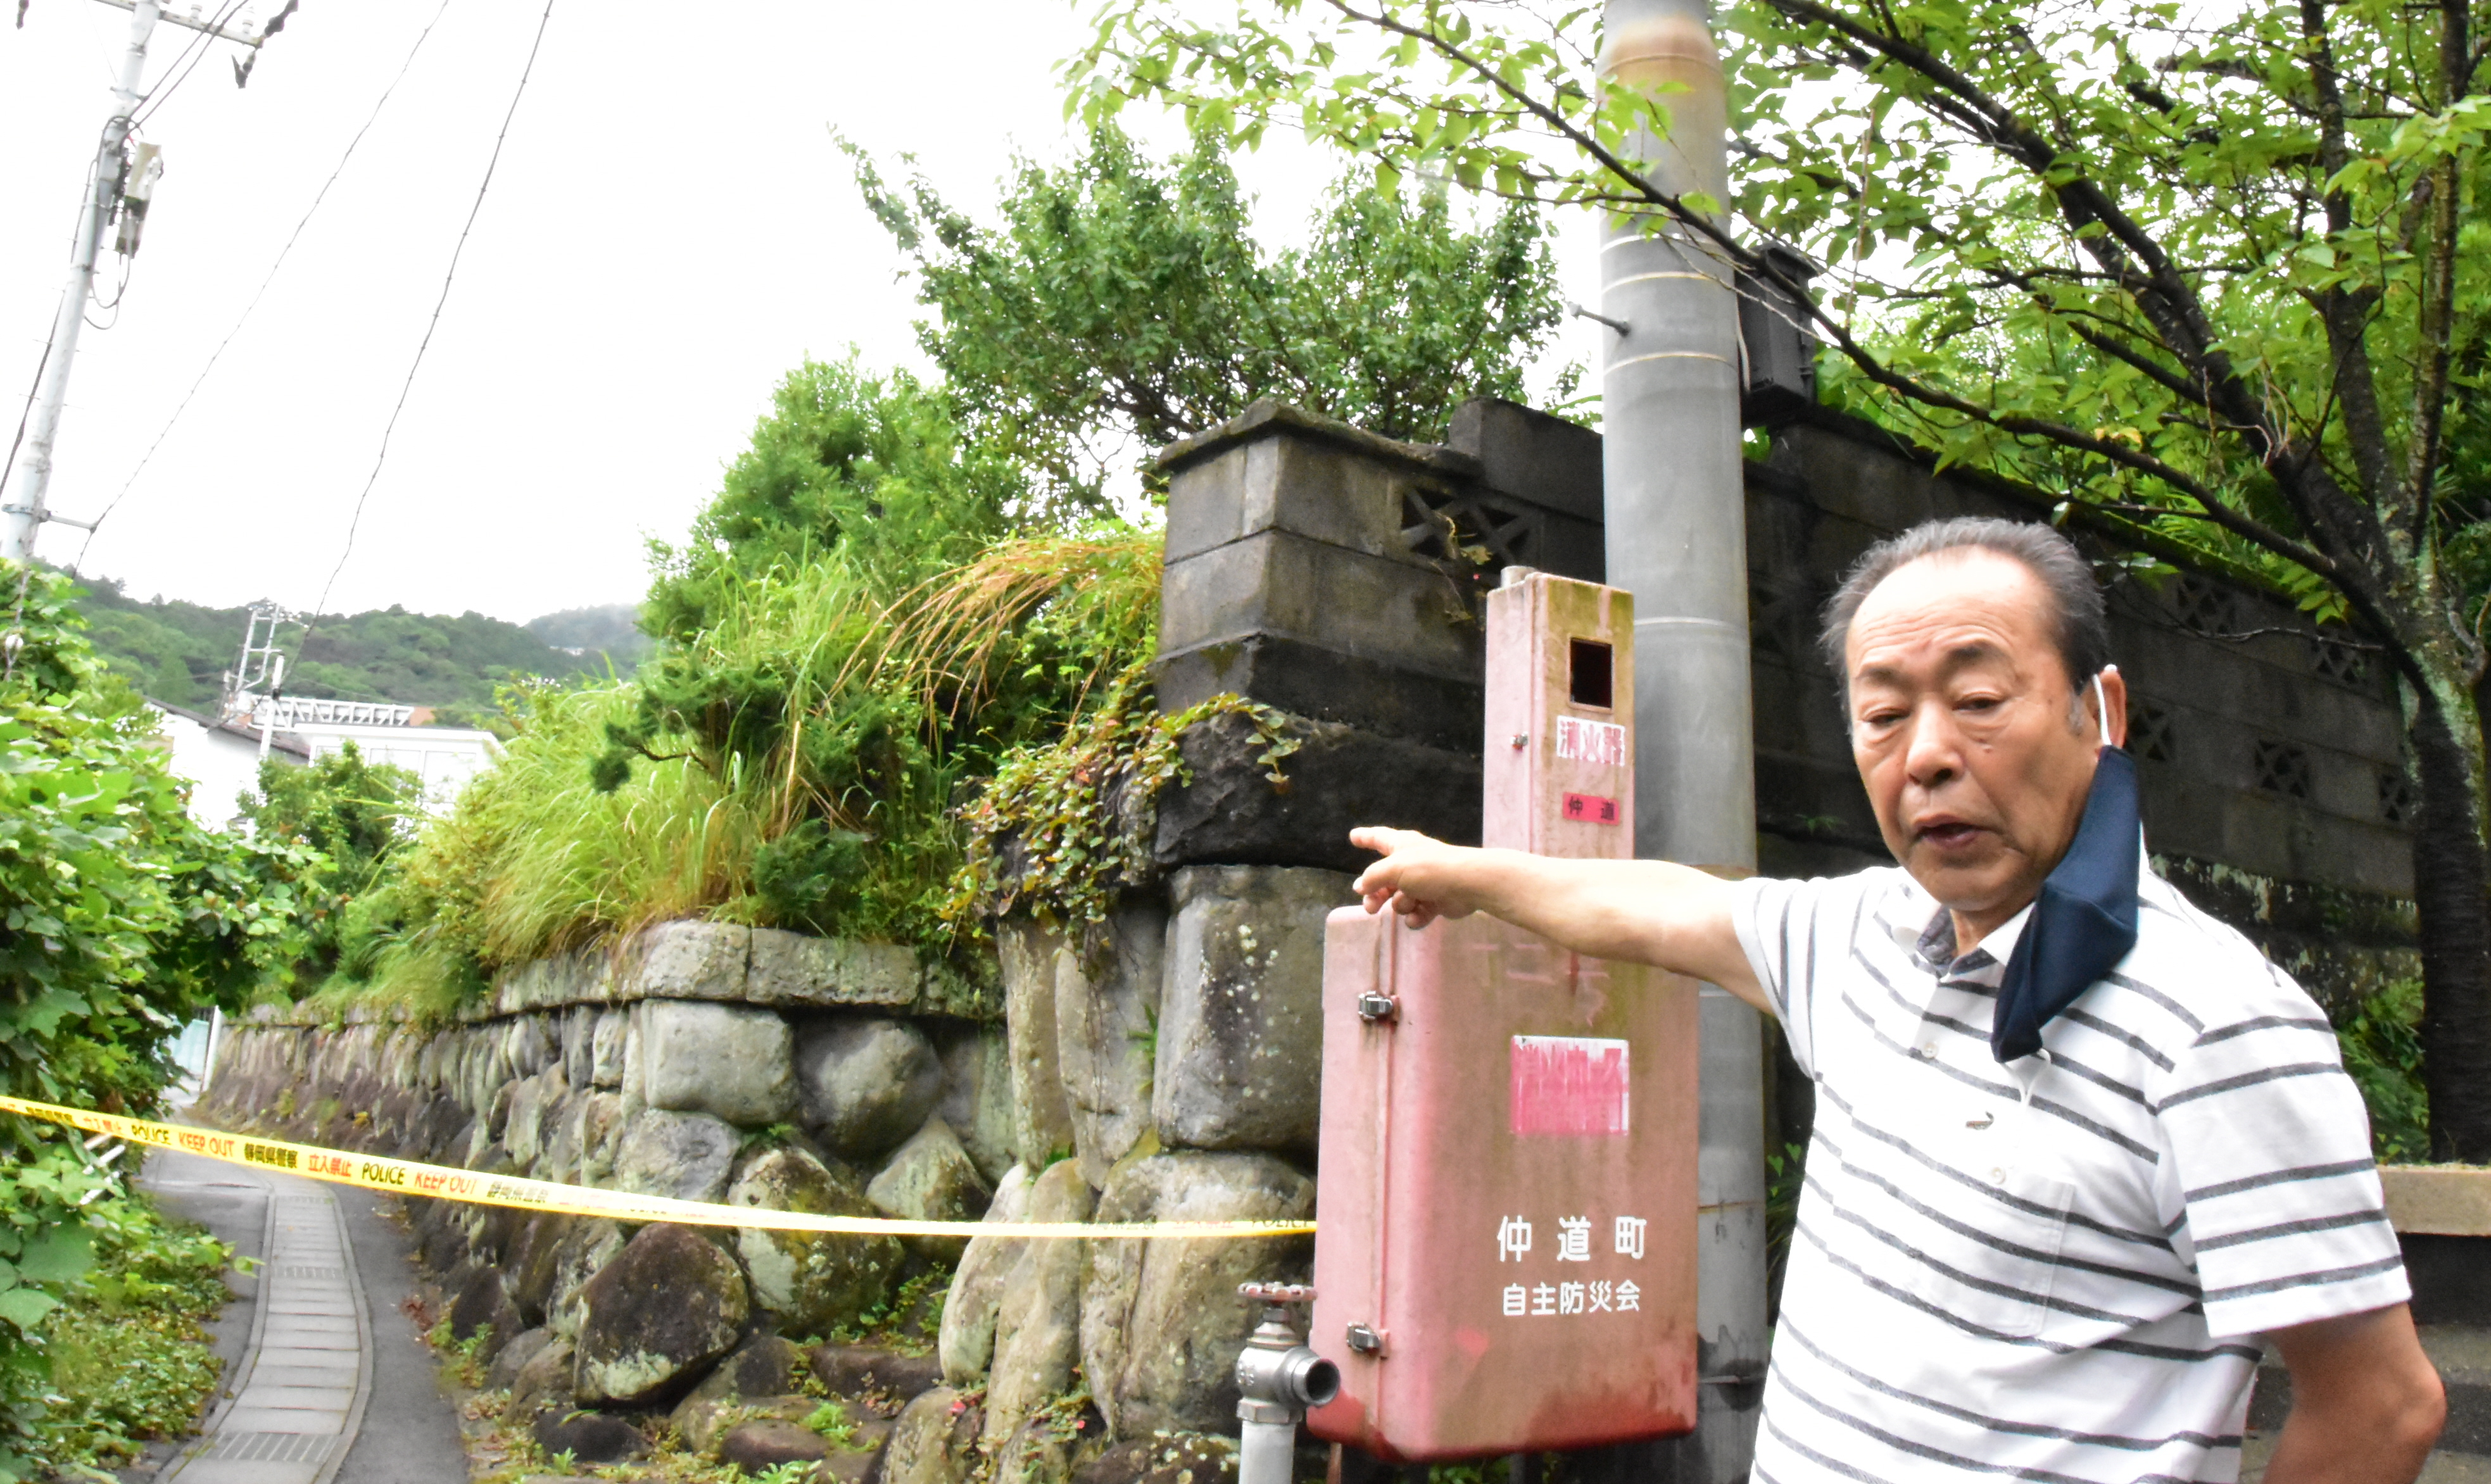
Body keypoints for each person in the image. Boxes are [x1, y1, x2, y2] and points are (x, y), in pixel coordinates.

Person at [1349, 517, 2446, 1484]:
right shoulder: (1864, 935)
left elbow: (2382, 1407)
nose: (1925, 756)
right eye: (1883, 716)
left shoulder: (2218, 1024)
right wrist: (1463, 873)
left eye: (1977, 700)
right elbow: (1659, 907)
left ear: (2097, 710)